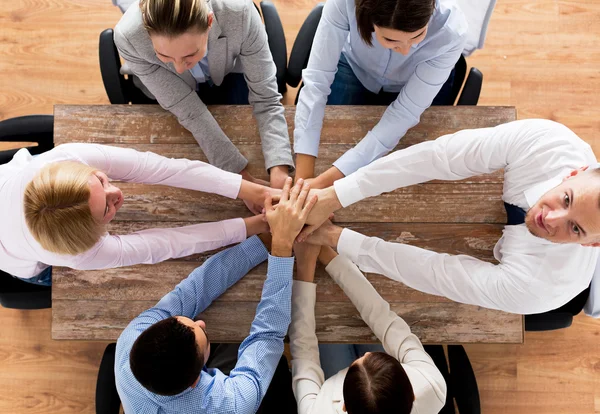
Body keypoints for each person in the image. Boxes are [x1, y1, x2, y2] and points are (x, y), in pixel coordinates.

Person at [299, 119, 600, 315]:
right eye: (566, 198)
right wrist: (335, 194)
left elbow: (437, 273)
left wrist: (336, 238)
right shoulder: (550, 143)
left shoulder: (540, 289)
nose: (551, 218)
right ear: (575, 172)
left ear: (590, 245)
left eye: (574, 228)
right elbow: (441, 157)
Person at [115, 178, 315, 414]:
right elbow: (268, 334)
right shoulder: (229, 408)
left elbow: (194, 290)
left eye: (189, 322)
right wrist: (282, 246)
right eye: (202, 335)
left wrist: (265, 240)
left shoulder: (132, 336)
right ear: (197, 378)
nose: (200, 322)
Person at [0, 143, 274, 285]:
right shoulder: (77, 253)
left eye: (102, 181)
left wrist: (255, 193)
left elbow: (164, 168)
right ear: (91, 233)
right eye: (107, 208)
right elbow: (167, 244)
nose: (117, 193)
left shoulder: (66, 157)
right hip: (14, 257)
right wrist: (255, 224)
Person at [114, 0, 294, 187]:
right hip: (165, 95)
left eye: (189, 55)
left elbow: (267, 98)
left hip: (226, 74)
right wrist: (237, 180)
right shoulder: (128, 37)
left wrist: (279, 168)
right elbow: (189, 111)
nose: (178, 68)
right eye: (165, 56)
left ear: (210, 22)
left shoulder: (239, 13)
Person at [293, 0, 467, 186]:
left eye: (418, 35)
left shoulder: (451, 29)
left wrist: (323, 184)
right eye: (391, 40)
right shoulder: (344, 3)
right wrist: (302, 181)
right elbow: (316, 83)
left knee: (410, 164)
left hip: (414, 81)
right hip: (355, 67)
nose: (406, 50)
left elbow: (405, 113)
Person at [290, 243, 446, 414]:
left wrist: (305, 268)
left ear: (344, 407)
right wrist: (328, 255)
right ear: (413, 394)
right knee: (370, 334)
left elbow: (304, 355)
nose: (366, 354)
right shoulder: (430, 385)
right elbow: (385, 320)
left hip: (339, 400)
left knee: (329, 330)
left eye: (359, 361)